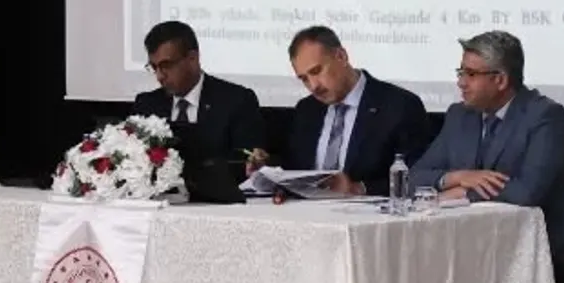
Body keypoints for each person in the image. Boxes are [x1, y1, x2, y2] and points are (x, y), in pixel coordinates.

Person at [399, 30, 564, 283]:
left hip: (533, 251)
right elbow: (412, 179)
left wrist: (462, 193)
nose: (461, 83)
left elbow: (528, 191)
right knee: (406, 282)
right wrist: (456, 176)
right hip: (463, 245)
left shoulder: (546, 117)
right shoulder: (460, 115)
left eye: (470, 74)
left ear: (500, 79)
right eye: (460, 72)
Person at [247, 25, 432, 195]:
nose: (313, 86)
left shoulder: (399, 106)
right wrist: (267, 167)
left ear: (341, 56)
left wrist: (358, 188)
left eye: (317, 71)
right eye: (304, 79)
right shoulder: (307, 109)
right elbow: (296, 167)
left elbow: (418, 176)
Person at [130, 20, 267, 163]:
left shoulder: (237, 102)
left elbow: (247, 163)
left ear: (192, 58)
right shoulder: (146, 106)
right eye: (154, 67)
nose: (159, 76)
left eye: (166, 65)